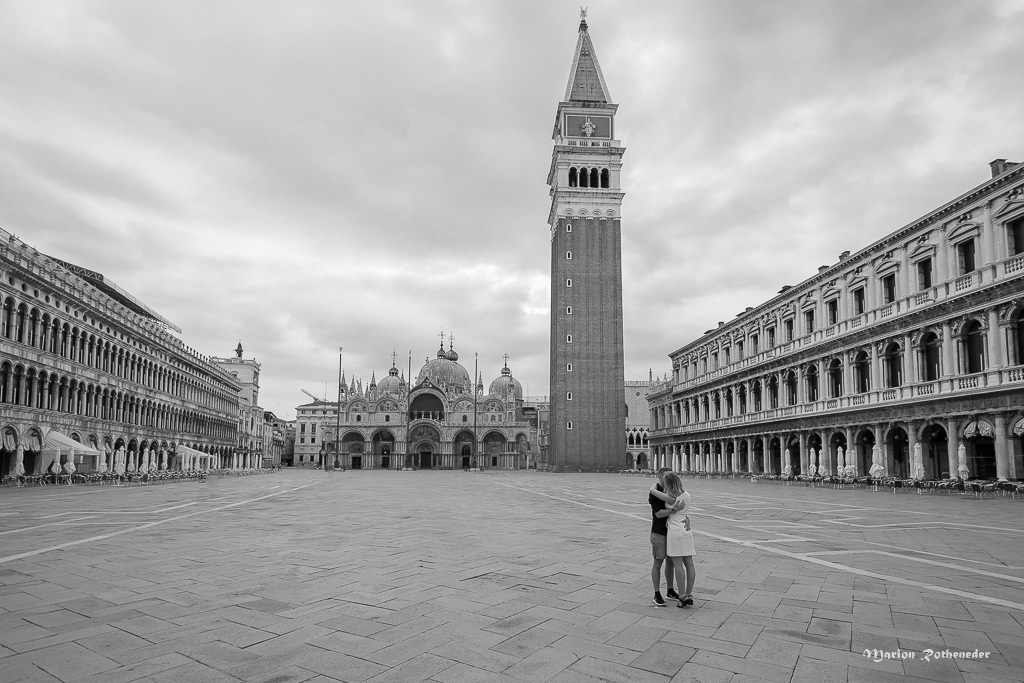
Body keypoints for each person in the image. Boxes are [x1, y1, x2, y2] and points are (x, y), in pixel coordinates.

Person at [651, 472, 696, 607]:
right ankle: (689, 594)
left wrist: (652, 488)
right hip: (686, 530)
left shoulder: (671, 498)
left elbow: (653, 491)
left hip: (675, 531)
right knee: (690, 564)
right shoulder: (687, 495)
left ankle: (682, 596)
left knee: (678, 565)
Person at [648, 467, 679, 606]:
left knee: (670, 562)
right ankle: (656, 593)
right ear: (660, 477)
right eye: (667, 476)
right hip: (659, 532)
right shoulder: (654, 493)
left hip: (671, 532)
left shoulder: (670, 489)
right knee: (658, 563)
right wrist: (674, 510)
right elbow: (659, 514)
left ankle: (670, 590)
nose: (670, 478)